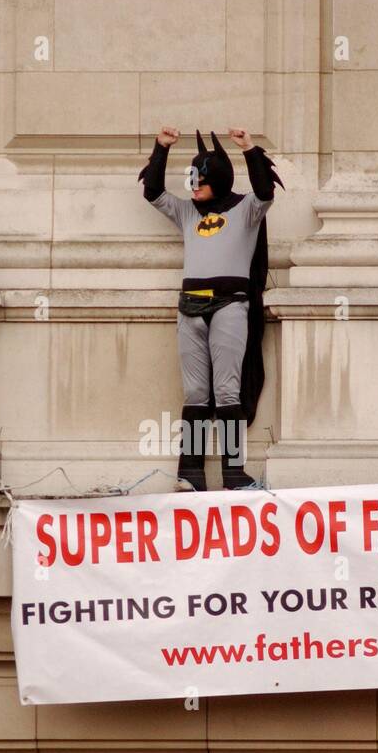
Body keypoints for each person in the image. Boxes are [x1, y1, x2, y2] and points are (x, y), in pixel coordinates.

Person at [138, 126, 283, 490]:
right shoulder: (187, 212)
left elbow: (265, 190)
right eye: (192, 179)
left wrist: (250, 148)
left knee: (227, 390)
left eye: (200, 179)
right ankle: (190, 472)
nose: (193, 186)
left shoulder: (247, 209)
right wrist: (161, 148)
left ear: (216, 178)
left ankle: (233, 472)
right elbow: (153, 191)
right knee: (196, 394)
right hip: (190, 308)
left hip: (230, 306)